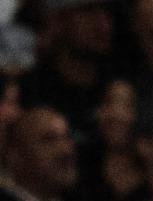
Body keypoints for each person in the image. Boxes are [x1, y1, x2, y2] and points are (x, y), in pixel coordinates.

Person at [17, 0, 115, 131]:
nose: (104, 25)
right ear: (58, 20)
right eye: (88, 11)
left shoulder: (121, 82)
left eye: (106, 11)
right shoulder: (31, 92)